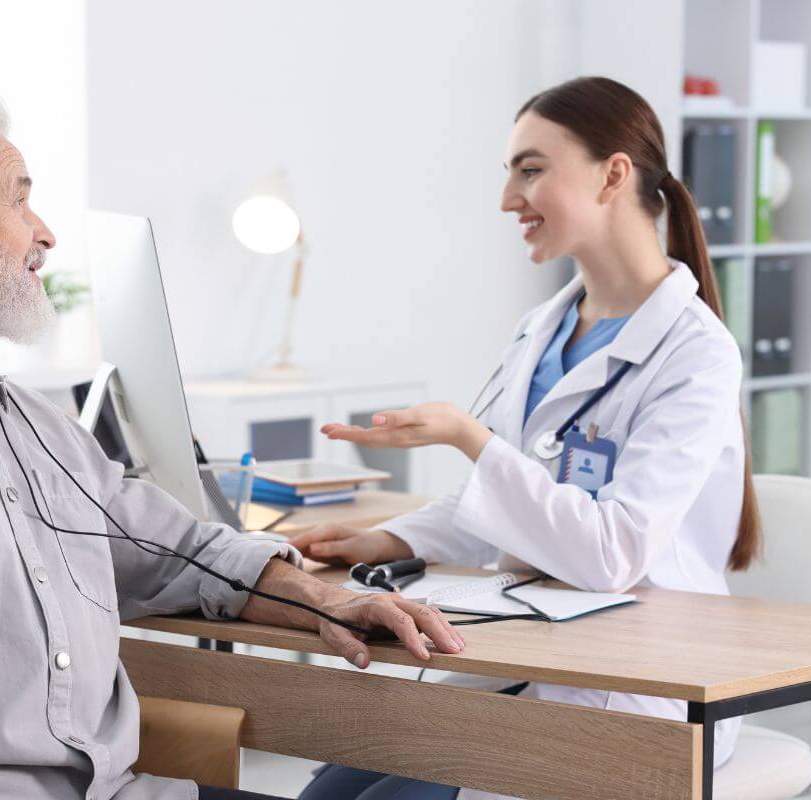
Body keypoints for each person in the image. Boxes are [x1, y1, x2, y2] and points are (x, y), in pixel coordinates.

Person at [0, 88, 464, 800]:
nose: (46, 233)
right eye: (22, 198)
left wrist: (324, 597)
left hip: (126, 790)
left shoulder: (33, 421)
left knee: (427, 766)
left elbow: (174, 549)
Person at [293, 76, 759, 800]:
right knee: (330, 788)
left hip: (638, 686)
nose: (509, 199)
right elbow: (511, 500)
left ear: (613, 175)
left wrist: (470, 438)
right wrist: (385, 540)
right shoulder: (542, 330)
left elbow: (611, 552)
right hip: (533, 652)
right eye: (510, 172)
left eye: (531, 169)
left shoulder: (696, 353)